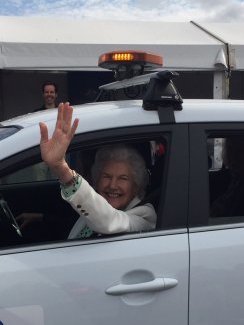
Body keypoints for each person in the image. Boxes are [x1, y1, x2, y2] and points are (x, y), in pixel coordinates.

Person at [37, 102, 156, 238]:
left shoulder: (144, 217)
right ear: (97, 179)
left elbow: (109, 221)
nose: (112, 185)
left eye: (123, 178)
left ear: (136, 186)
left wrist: (61, 168)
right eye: (106, 176)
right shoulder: (96, 207)